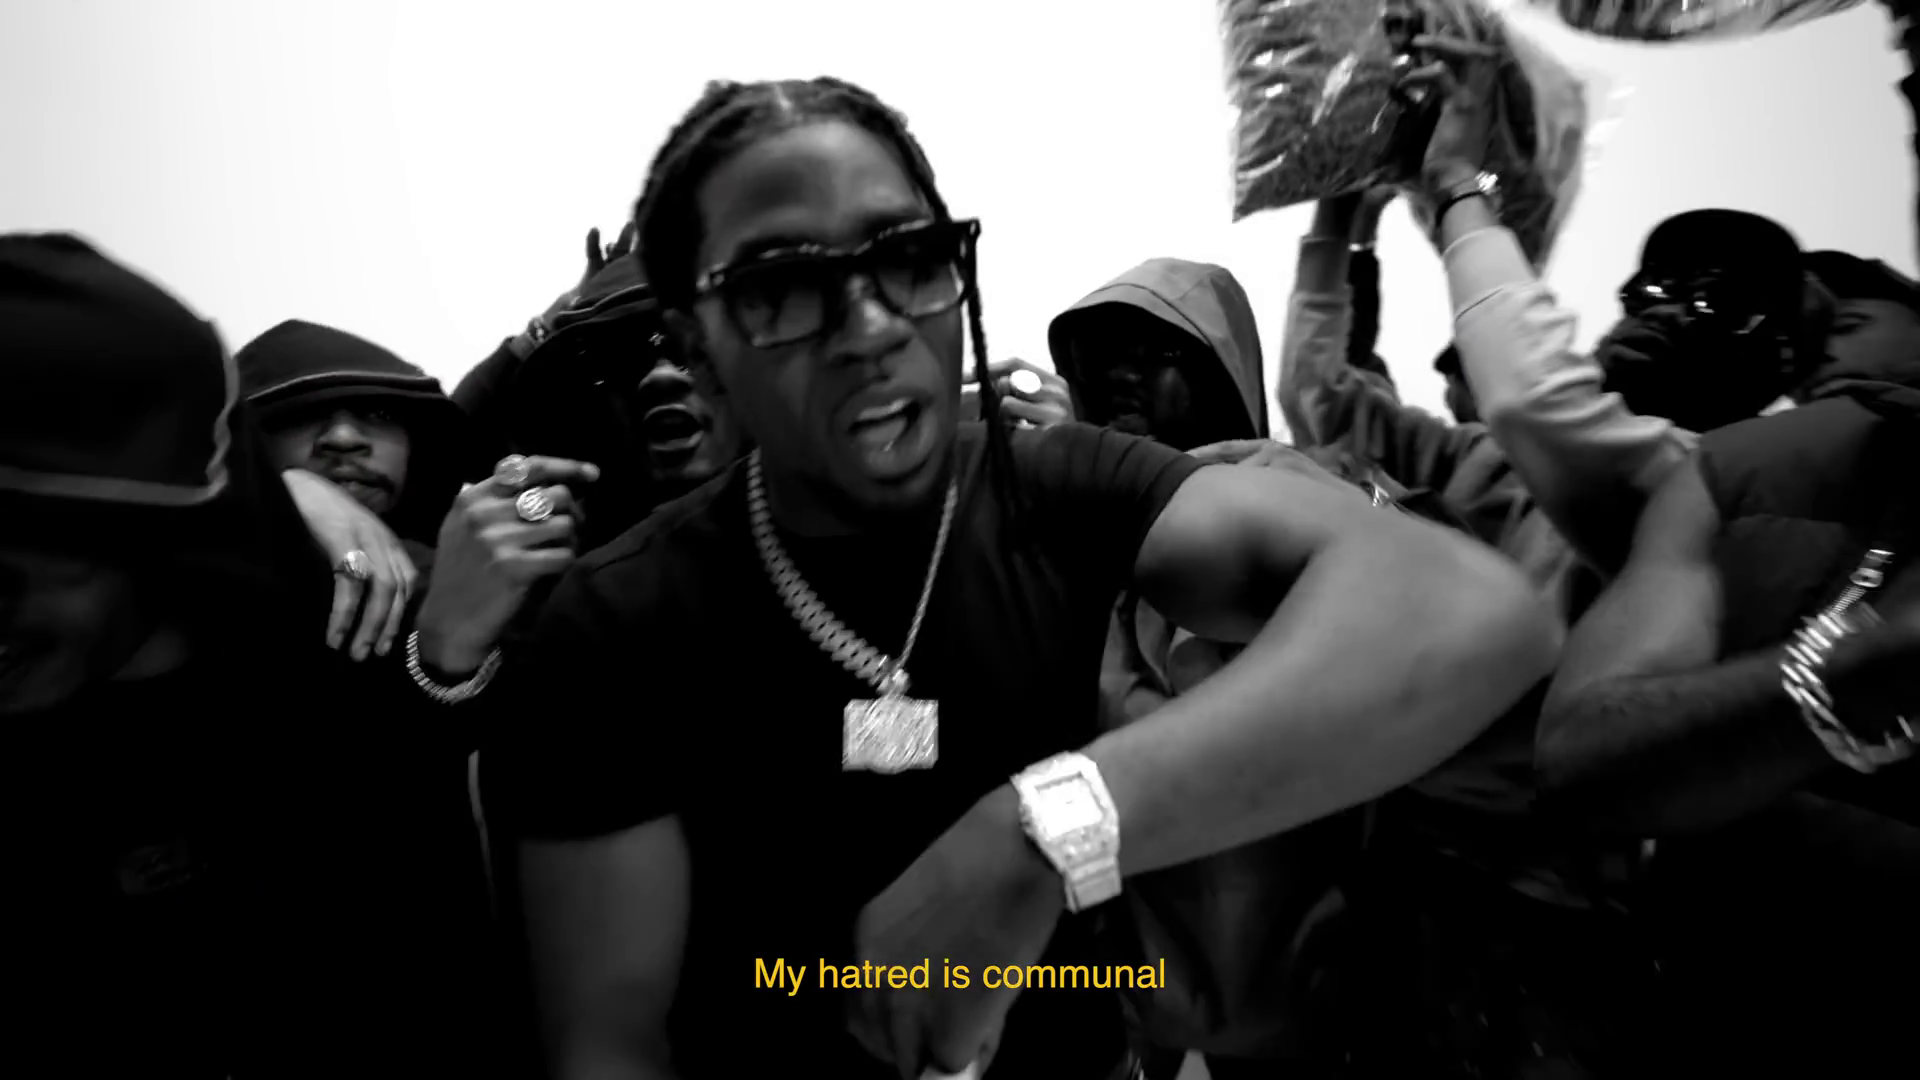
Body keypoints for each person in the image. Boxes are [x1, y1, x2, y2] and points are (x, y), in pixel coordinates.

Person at [463, 75, 1559, 1080]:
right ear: (695, 347)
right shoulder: (615, 626)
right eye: (783, 287)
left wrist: (1042, 834)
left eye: (909, 258)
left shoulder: (1058, 488)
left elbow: (1465, 610)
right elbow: (608, 1043)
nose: (870, 328)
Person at [0, 233, 502, 1075]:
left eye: (378, 415)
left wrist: (445, 659)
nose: (343, 440)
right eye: (300, 417)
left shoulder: (413, 613)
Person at [457, 225, 746, 550]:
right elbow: (448, 451)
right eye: (623, 355)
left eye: (689, 349)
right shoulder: (569, 547)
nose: (661, 377)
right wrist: (563, 312)